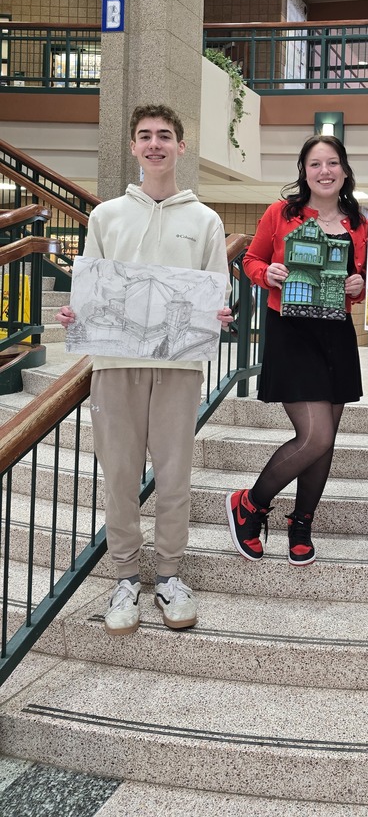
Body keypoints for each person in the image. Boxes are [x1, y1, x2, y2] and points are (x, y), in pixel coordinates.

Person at [56, 104, 232, 636]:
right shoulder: (106, 216)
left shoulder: (206, 221)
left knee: (174, 475)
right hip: (116, 366)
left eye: (165, 136)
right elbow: (92, 291)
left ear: (181, 147)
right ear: (133, 147)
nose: (154, 144)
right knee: (120, 477)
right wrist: (76, 311)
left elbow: (216, 293)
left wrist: (218, 313)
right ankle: (126, 577)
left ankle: (171, 576)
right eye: (144, 136)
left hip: (177, 369)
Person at [226, 134, 367, 566]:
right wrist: (265, 273)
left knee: (327, 441)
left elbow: (365, 278)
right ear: (303, 172)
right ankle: (250, 503)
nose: (324, 171)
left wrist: (360, 286)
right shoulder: (280, 214)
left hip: (336, 334)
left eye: (332, 163)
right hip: (291, 331)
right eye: (315, 164)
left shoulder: (358, 223)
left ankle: (301, 522)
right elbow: (249, 260)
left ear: (344, 170)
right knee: (316, 434)